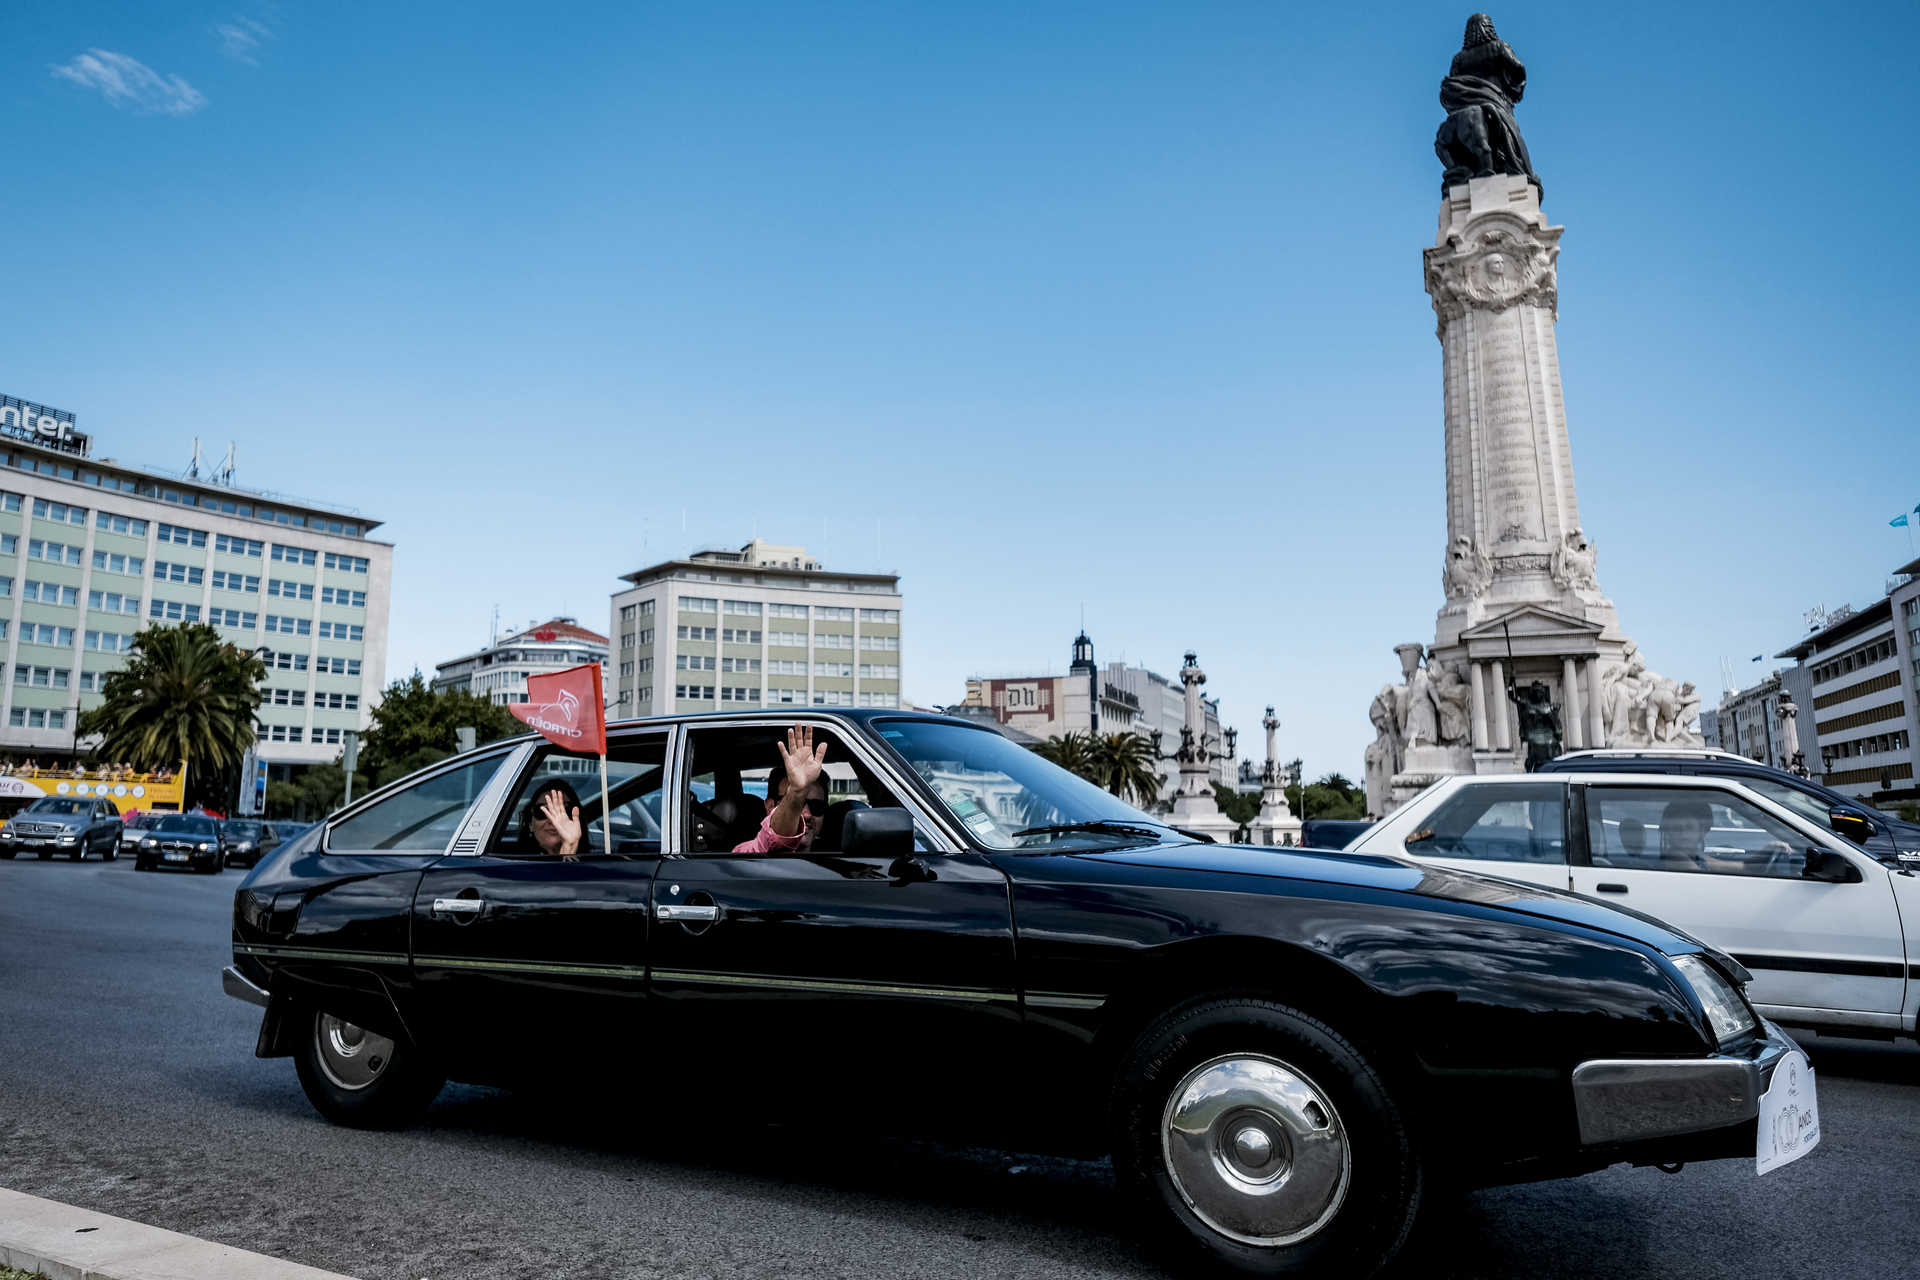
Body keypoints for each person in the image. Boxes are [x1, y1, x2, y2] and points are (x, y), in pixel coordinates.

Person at [734, 724, 830, 853]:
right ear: (770, 806)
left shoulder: (840, 862)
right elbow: (770, 841)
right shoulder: (746, 854)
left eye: (817, 806)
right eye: (796, 804)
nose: (807, 815)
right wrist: (796, 791)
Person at [520, 778, 584, 860]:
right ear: (530, 824)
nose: (553, 821)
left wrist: (569, 847)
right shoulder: (514, 864)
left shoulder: (597, 862)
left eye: (564, 811)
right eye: (542, 812)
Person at [1657, 797, 1714, 871]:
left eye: (1689, 827)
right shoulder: (1675, 861)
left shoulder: (1700, 858)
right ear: (1668, 832)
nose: (1683, 833)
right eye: (1676, 828)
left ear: (1702, 832)